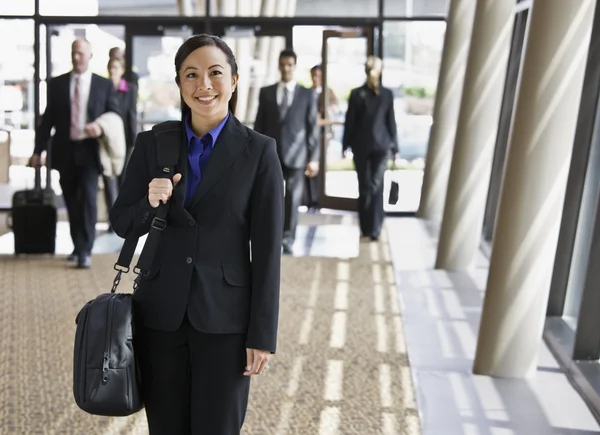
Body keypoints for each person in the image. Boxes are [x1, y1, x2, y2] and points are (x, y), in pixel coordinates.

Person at [109, 34, 284, 434]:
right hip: (159, 315)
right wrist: (147, 205)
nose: (203, 85)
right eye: (191, 75)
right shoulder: (153, 143)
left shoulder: (260, 152)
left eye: (215, 73)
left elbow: (268, 250)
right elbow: (122, 222)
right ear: (180, 84)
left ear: (235, 80)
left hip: (226, 321)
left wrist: (262, 334)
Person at [30, 38, 119, 268]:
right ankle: (78, 244)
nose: (76, 57)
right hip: (64, 150)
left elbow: (114, 115)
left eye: (81, 53)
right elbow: (47, 120)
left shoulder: (103, 85)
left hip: (90, 150)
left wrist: (99, 127)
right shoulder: (57, 84)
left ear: (90, 56)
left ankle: (85, 250)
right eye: (74, 52)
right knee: (70, 200)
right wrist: (37, 151)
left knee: (88, 199)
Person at [254, 49, 319, 254]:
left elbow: (312, 128)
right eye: (283, 64)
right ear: (278, 66)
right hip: (271, 154)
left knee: (292, 198)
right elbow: (259, 125)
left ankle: (287, 238)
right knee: (270, 197)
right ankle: (271, 235)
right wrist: (256, 155)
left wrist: (313, 158)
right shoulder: (266, 92)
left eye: (290, 64)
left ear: (295, 66)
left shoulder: (307, 94)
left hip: (297, 156)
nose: (286, 68)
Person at [342, 55, 399, 241]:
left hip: (379, 147)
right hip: (364, 147)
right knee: (366, 186)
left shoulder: (386, 94)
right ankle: (368, 227)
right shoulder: (358, 94)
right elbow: (350, 122)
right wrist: (345, 144)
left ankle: (374, 227)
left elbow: (390, 121)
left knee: (373, 185)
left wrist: (395, 147)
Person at [101, 56, 138, 226]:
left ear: (122, 70)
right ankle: (112, 220)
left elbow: (132, 114)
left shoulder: (129, 89)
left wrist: (134, 142)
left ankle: (123, 217)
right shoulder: (103, 88)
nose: (113, 71)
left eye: (116, 68)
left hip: (125, 142)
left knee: (124, 181)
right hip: (107, 141)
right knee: (108, 180)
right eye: (111, 68)